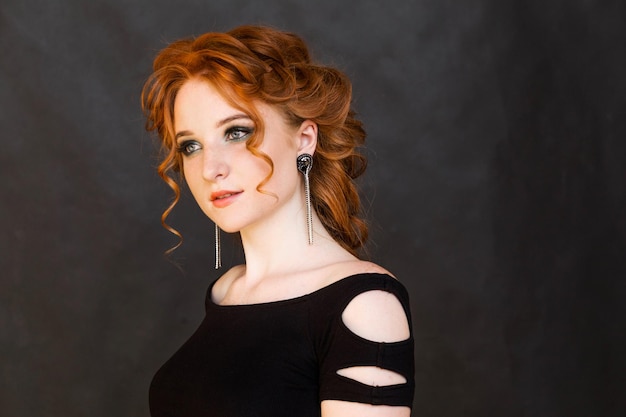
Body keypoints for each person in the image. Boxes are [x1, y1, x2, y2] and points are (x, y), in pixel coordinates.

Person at [141, 25, 415, 417]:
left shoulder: (365, 304)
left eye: (236, 133)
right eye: (191, 146)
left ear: (304, 139)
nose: (210, 169)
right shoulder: (227, 290)